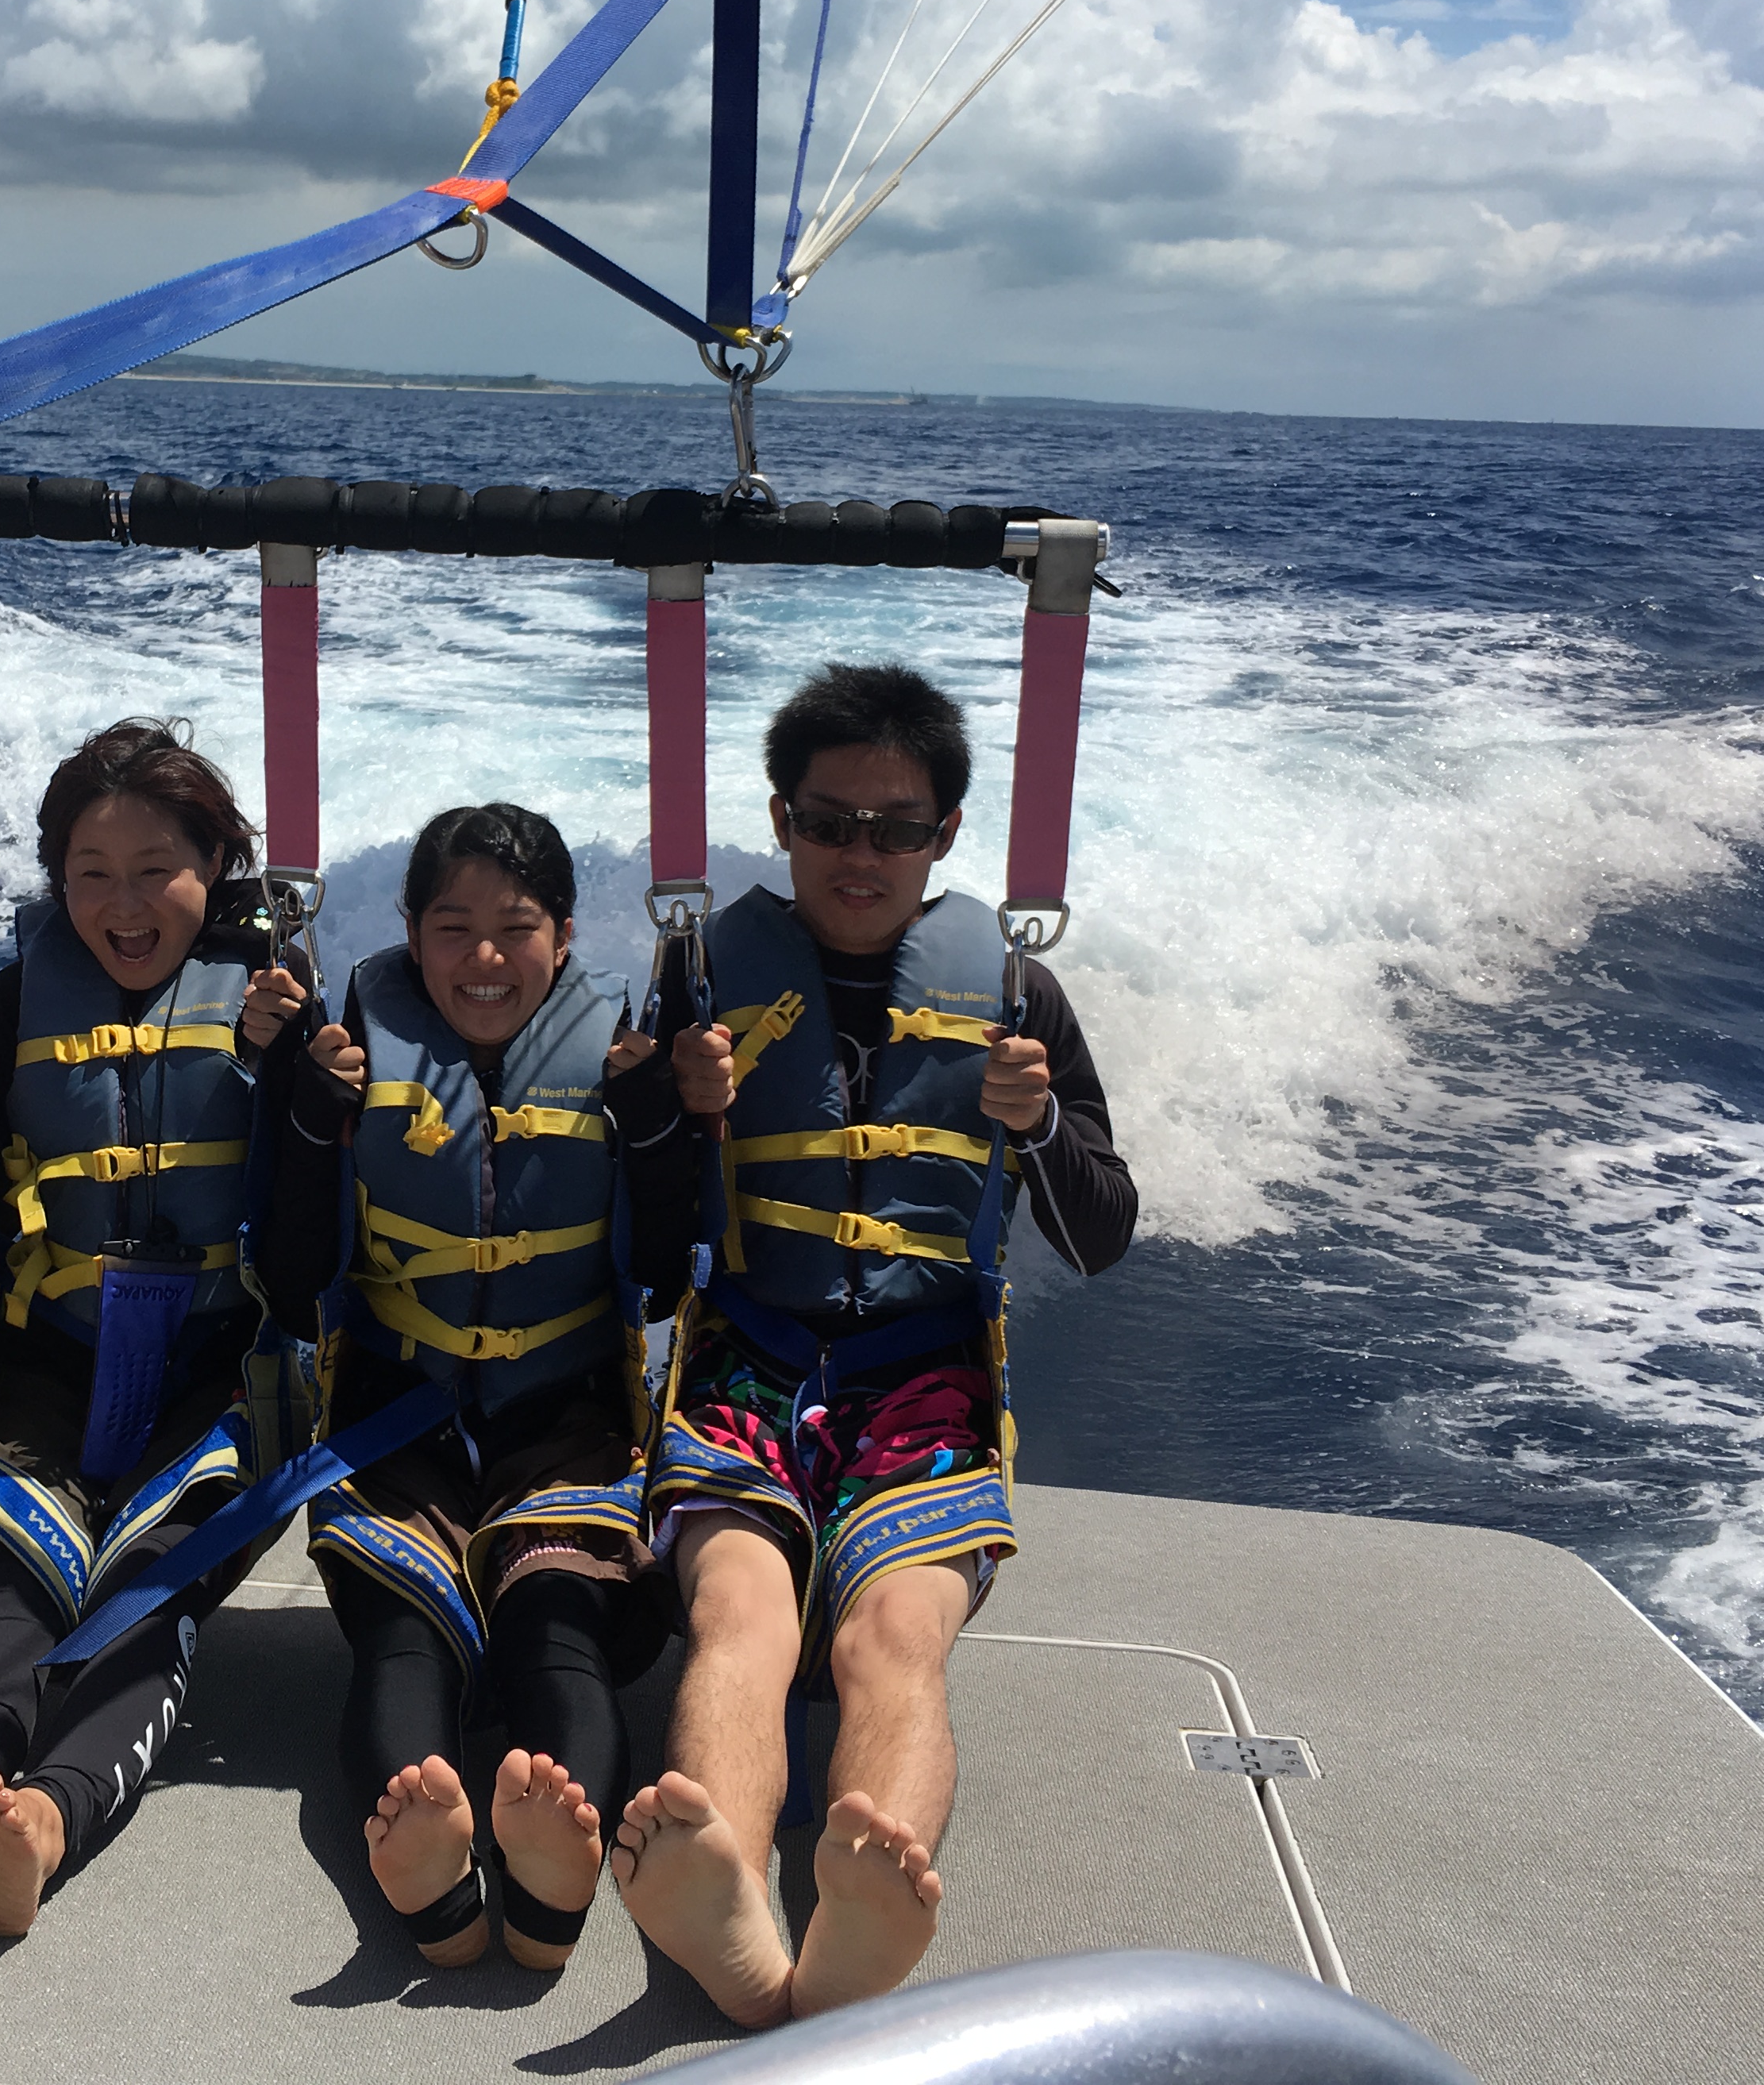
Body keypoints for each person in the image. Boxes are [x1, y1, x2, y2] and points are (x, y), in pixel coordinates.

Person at [612, 661, 1136, 2025]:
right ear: (780, 820)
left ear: (944, 836)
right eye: (828, 822)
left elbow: (1102, 1232)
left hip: (927, 1378)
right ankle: (733, 1905)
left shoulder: (1016, 996)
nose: (860, 855)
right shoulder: (697, 982)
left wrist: (1038, 1128)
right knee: (740, 1616)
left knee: (893, 1637)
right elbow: (639, 1253)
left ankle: (862, 1904)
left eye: (895, 828)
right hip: (746, 1362)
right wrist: (673, 1116)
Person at [0, 719, 310, 1937]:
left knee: (151, 1587)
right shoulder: (10, 1005)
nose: (126, 904)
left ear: (217, 867)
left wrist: (298, 1077)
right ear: (57, 881)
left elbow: (314, 1253)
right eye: (92, 874)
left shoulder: (280, 1006)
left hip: (218, 1380)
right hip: (53, 1363)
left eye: (159, 869)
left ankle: (45, 1819)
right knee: (9, 1586)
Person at [260, 805, 722, 1971]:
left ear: (563, 936)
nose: (484, 957)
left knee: (553, 1630)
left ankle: (553, 1881)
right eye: (451, 927)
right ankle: (430, 1873)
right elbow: (295, 1277)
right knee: (402, 1645)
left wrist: (656, 1129)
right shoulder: (352, 1050)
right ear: (410, 932)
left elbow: (664, 1282)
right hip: (394, 1419)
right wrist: (308, 1117)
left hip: (565, 1421)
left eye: (516, 928)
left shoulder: (616, 1056)